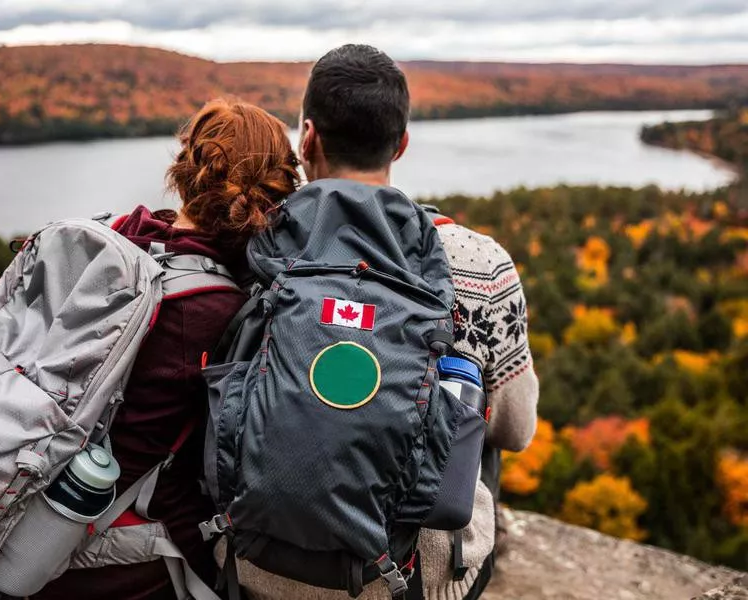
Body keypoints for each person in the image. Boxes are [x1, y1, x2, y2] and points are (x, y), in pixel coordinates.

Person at [225, 44, 539, 600]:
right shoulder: (480, 262)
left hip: (255, 559)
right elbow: (516, 430)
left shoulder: (256, 244)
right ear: (401, 144)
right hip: (406, 578)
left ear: (308, 138)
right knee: (473, 415)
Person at [32, 98, 299, 600]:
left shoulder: (116, 241)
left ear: (185, 170)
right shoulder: (218, 309)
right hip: (121, 555)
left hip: (36, 507)